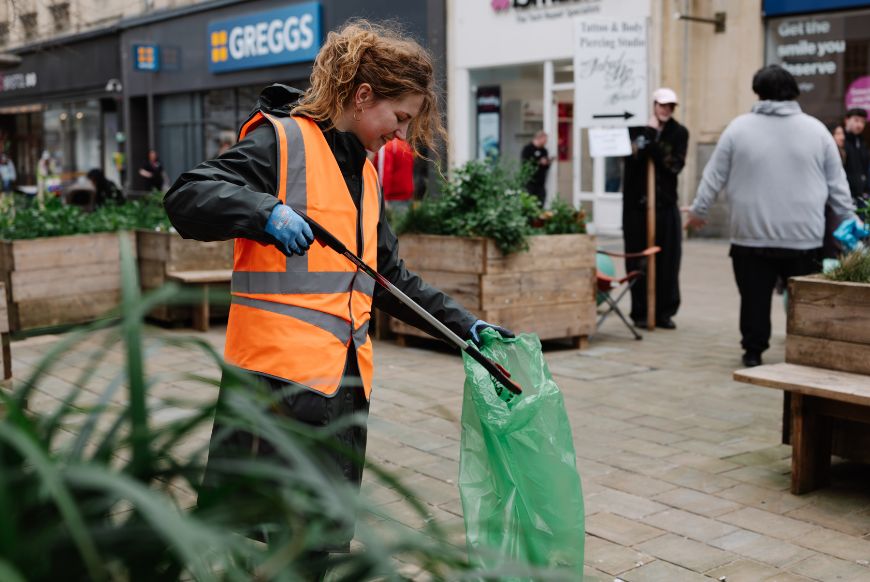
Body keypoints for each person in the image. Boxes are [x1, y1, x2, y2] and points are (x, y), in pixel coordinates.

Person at [163, 19, 513, 574]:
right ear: (362, 95)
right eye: (399, 117)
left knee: (316, 545)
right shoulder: (280, 142)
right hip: (277, 389)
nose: (401, 133)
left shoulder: (366, 175)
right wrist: (263, 212)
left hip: (340, 390)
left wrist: (466, 328)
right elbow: (186, 197)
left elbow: (389, 280)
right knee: (283, 547)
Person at [684, 65, 860, 368]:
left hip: (750, 236)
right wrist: (851, 220)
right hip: (804, 236)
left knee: (754, 299)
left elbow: (713, 176)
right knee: (806, 299)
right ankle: (805, 349)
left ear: (758, 92)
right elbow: (837, 184)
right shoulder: (817, 130)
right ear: (794, 92)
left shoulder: (737, 128)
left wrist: (699, 211)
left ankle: (753, 351)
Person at [621, 87, 689, 330]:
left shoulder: (679, 132)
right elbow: (632, 157)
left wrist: (653, 145)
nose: (666, 110)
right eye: (662, 105)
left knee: (668, 260)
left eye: (670, 106)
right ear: (653, 105)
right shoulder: (636, 129)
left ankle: (664, 312)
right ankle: (640, 311)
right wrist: (648, 135)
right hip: (637, 208)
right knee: (638, 260)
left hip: (664, 206)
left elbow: (673, 164)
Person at [374, 137, 414, 212]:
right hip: (406, 195)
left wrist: (382, 197)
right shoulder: (403, 144)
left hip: (392, 198)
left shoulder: (387, 146)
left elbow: (384, 174)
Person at [843, 107, 869, 208]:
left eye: (863, 122)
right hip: (847, 195)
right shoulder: (842, 141)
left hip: (862, 195)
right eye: (856, 120)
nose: (859, 125)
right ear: (847, 120)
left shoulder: (862, 142)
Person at [520, 130, 551, 207]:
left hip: (540, 183)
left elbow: (546, 167)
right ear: (539, 138)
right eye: (544, 140)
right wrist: (538, 162)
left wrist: (547, 163)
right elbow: (525, 164)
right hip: (529, 182)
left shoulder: (544, 151)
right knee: (529, 204)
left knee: (540, 203)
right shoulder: (527, 149)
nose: (545, 142)